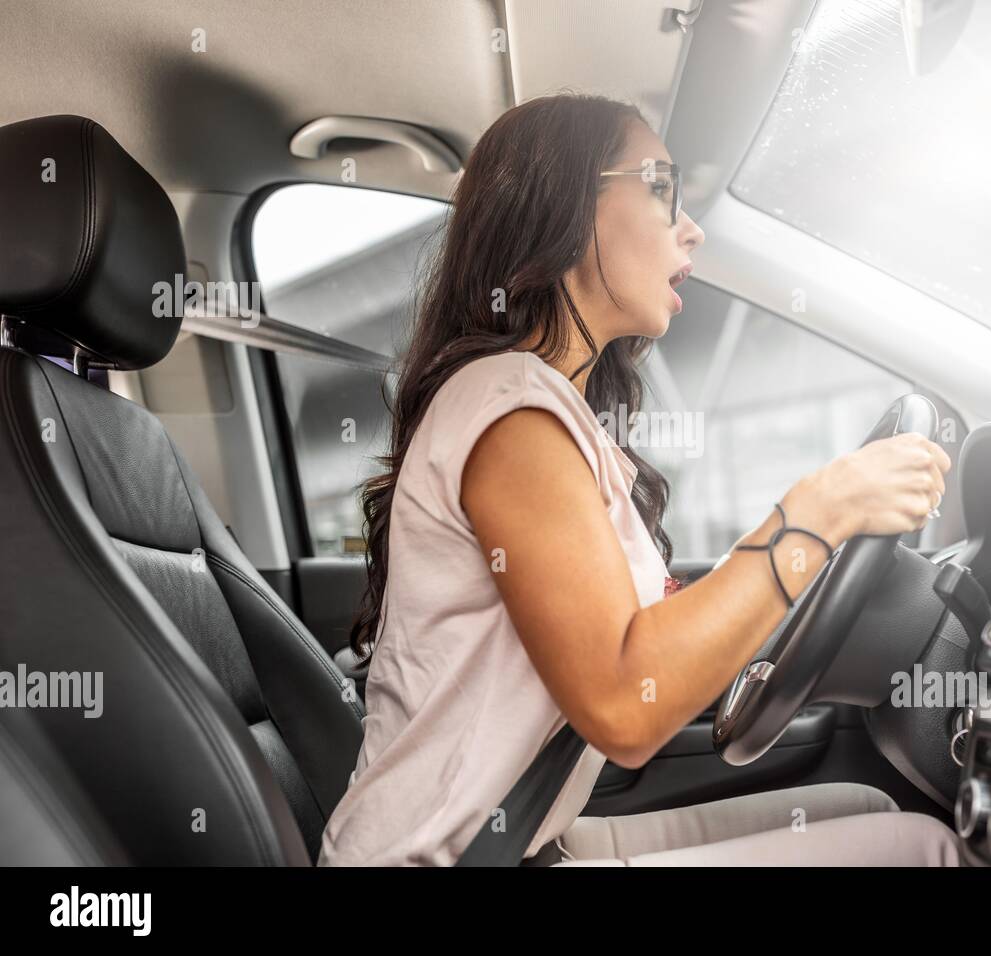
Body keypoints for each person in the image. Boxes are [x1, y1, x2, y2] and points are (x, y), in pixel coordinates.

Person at [317, 93, 958, 866]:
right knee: (925, 850)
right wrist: (823, 511)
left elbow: (639, 644)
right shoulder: (510, 411)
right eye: (660, 190)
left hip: (524, 839)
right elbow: (626, 705)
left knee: (866, 806)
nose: (691, 227)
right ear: (569, 206)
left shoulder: (545, 411)